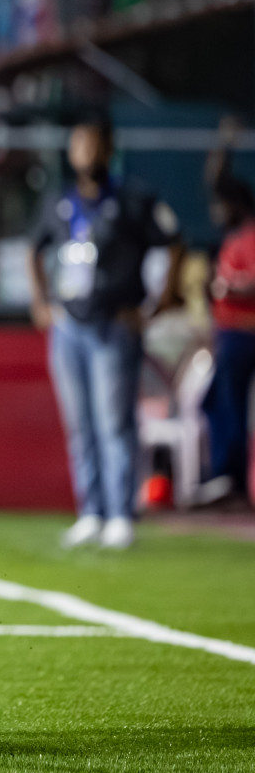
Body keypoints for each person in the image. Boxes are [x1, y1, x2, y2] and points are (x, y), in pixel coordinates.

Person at [28, 117, 185, 549]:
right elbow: (33, 248)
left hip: (114, 324)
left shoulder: (133, 199)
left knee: (114, 422)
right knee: (80, 424)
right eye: (80, 146)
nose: (88, 155)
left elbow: (174, 242)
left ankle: (121, 513)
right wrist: (40, 302)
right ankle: (91, 511)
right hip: (69, 325)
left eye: (95, 146)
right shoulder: (59, 201)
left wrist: (158, 303)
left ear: (109, 150)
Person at [201, 118, 255, 506]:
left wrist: (227, 289)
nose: (216, 211)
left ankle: (230, 477)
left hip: (244, 332)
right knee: (214, 402)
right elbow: (214, 181)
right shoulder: (232, 239)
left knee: (229, 404)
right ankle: (226, 477)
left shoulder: (249, 235)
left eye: (223, 205)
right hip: (227, 331)